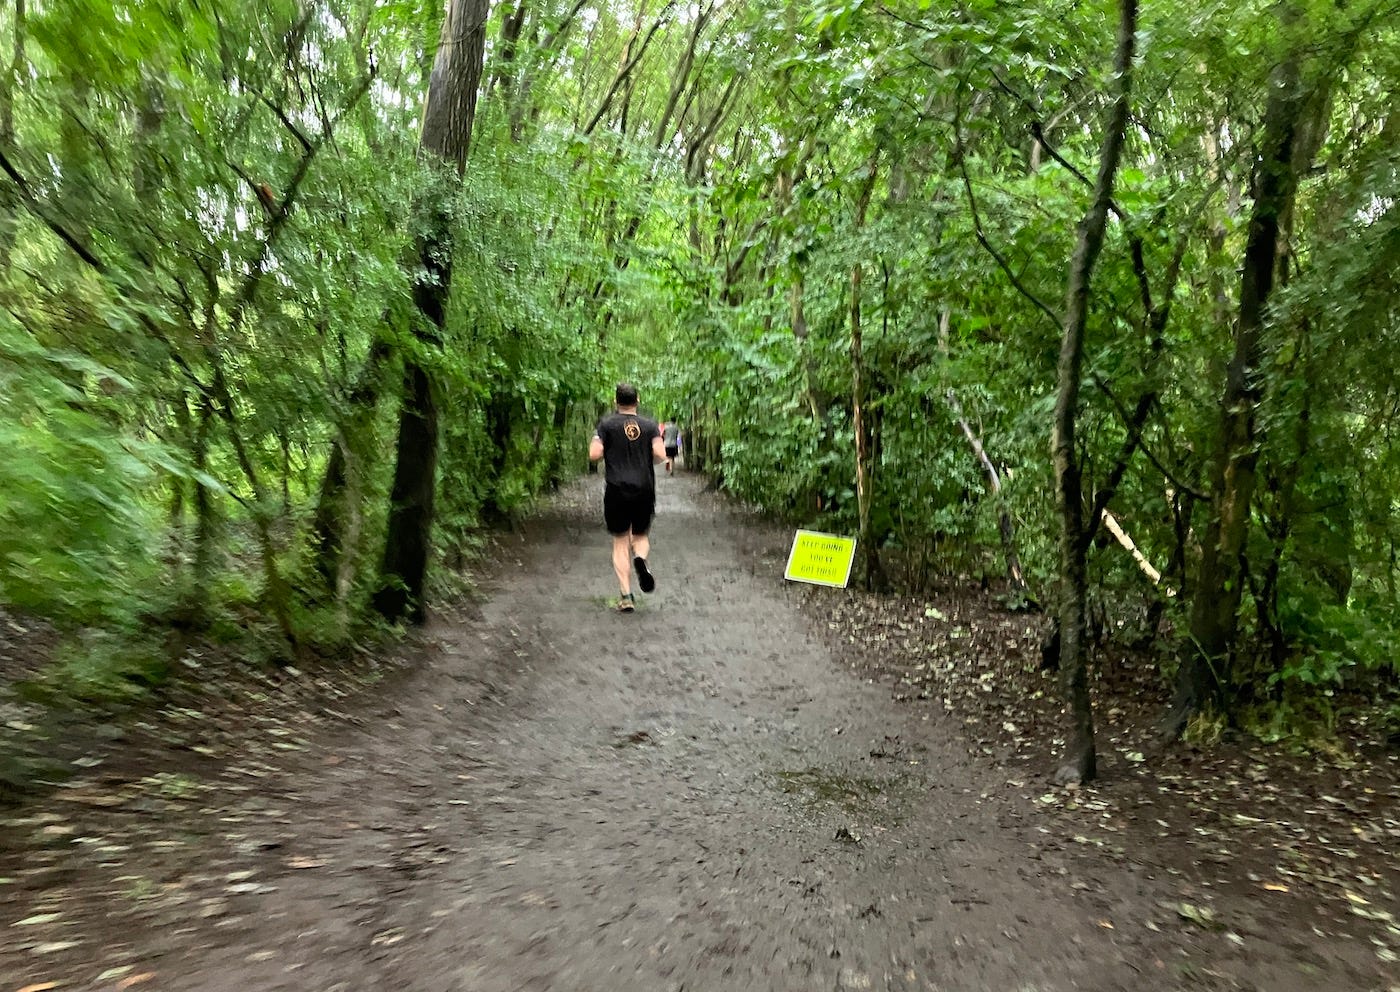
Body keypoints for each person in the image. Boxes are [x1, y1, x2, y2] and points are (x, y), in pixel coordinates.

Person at [589, 383, 666, 613]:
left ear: (616, 402)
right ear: (637, 401)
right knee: (640, 536)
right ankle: (640, 559)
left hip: (616, 490)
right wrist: (643, 458)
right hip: (644, 489)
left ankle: (626, 595)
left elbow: (594, 454)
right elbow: (661, 455)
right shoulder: (650, 425)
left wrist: (611, 452)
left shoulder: (606, 425)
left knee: (620, 541)